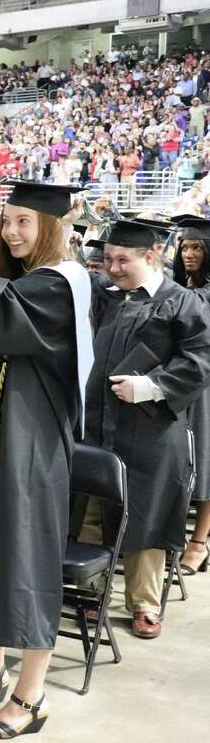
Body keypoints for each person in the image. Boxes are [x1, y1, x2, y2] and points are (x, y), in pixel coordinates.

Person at [0, 181, 93, 738]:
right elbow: (1, 343)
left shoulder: (60, 283)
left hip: (32, 447)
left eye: (22, 223)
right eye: (3, 222)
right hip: (1, 435)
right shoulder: (35, 281)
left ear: (52, 226)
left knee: (27, 564)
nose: (9, 232)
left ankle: (31, 697)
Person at [80, 219, 210, 639]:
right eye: (109, 259)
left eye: (123, 260)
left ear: (151, 256)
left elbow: (201, 361)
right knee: (92, 511)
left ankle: (144, 603)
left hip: (152, 430)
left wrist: (154, 386)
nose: (113, 268)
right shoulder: (107, 299)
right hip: (99, 424)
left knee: (147, 513)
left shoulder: (182, 301)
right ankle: (89, 594)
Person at [174, 217, 210, 575]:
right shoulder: (179, 286)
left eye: (197, 247)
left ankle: (199, 540)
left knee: (207, 459)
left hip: (208, 388)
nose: (189, 253)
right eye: (185, 246)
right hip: (183, 383)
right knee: (186, 459)